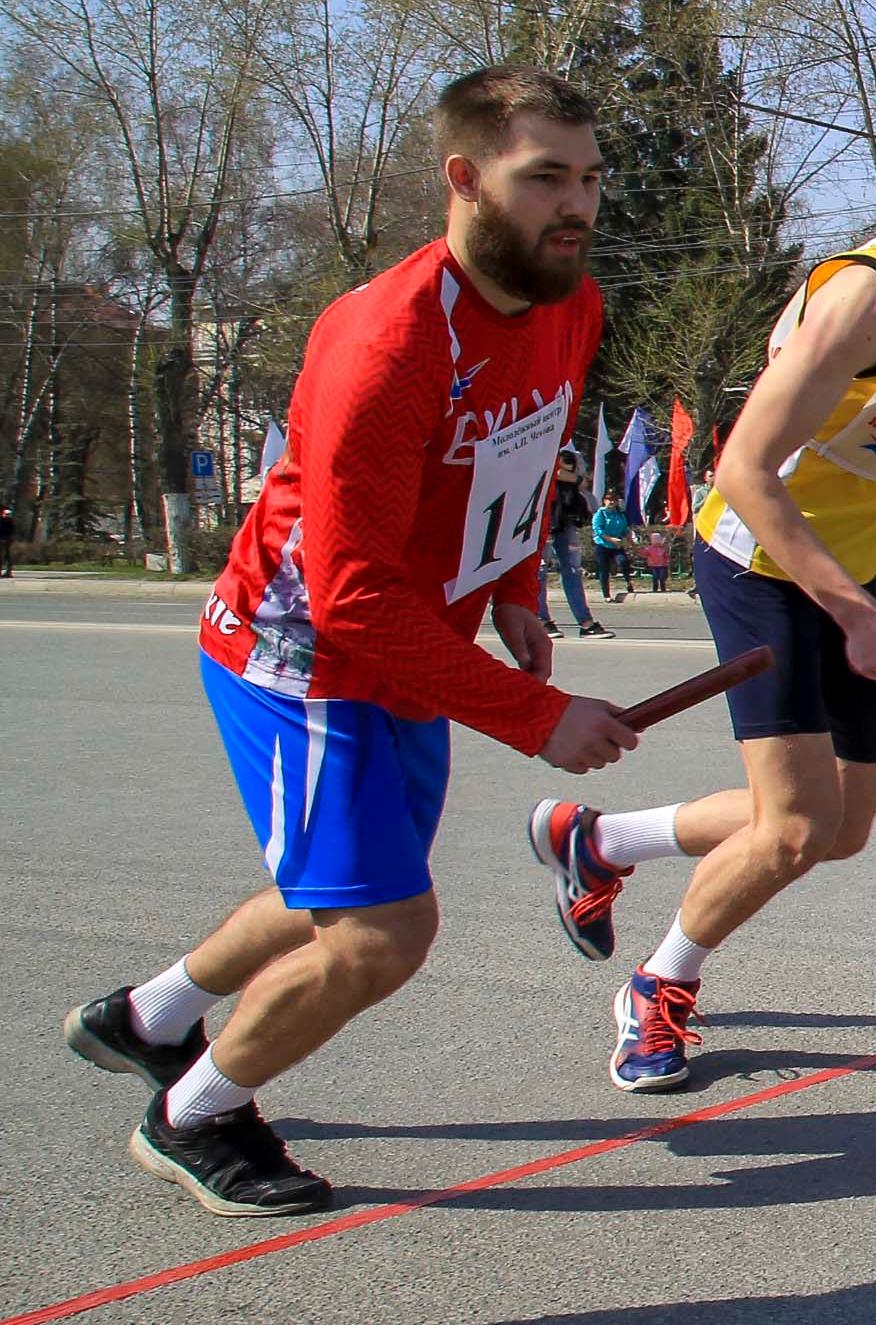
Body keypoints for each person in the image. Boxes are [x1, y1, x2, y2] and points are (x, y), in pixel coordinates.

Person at [66, 67, 636, 1216]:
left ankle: (148, 1017)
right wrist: (536, 718)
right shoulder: (383, 342)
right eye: (544, 180)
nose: (573, 206)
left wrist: (516, 577)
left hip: (412, 637)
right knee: (382, 928)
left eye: (585, 180)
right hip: (304, 656)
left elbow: (522, 454)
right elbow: (351, 600)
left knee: (337, 882)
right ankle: (196, 1113)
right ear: (465, 180)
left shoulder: (573, 305)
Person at [526, 110, 876, 1091]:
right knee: (791, 826)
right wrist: (855, 611)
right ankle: (657, 986)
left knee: (840, 824)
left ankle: (601, 839)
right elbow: (742, 466)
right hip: (763, 558)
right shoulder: (870, 298)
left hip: (859, 564)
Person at [545, 449, 611, 637]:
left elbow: (581, 478)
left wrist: (569, 474)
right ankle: (542, 620)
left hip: (565, 518)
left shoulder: (569, 453)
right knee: (540, 571)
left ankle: (586, 623)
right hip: (542, 519)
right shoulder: (536, 443)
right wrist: (570, 476)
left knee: (572, 571)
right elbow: (552, 472)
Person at [589, 495, 634, 602]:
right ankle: (606, 595)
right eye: (609, 500)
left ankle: (628, 582)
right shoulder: (600, 514)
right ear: (604, 501)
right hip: (602, 544)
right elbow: (598, 530)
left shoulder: (619, 515)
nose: (612, 502)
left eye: (614, 500)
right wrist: (610, 539)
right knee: (604, 569)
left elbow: (624, 530)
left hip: (616, 545)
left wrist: (631, 543)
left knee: (623, 561)